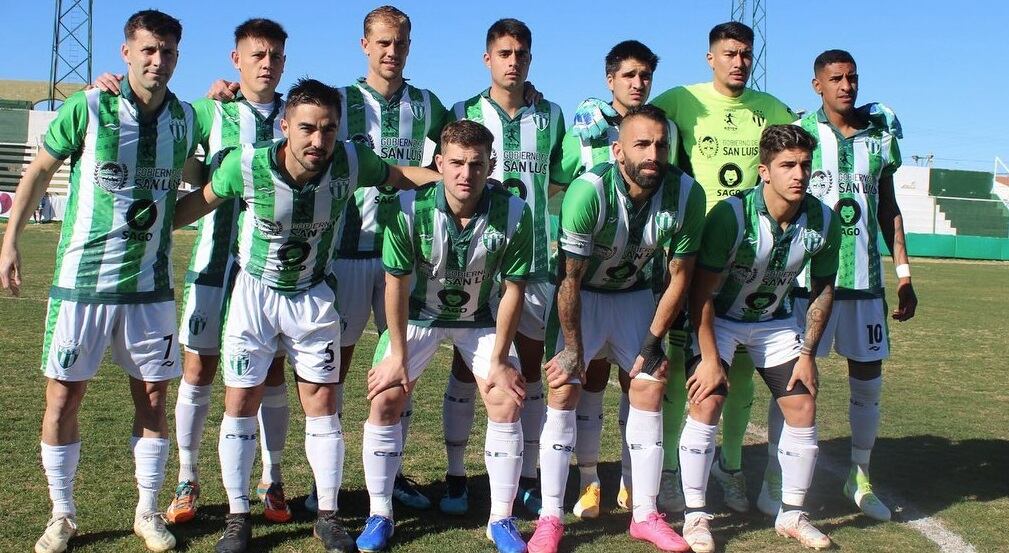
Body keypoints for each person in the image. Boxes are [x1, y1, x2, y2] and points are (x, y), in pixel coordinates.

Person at [172, 78, 439, 553]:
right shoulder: (247, 165)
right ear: (285, 126)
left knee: (323, 405)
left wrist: (460, 179)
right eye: (308, 129)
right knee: (240, 403)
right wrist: (145, 223)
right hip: (255, 295)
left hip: (313, 296)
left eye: (329, 130)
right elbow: (200, 201)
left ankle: (329, 516)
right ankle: (237, 517)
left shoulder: (351, 160)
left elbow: (398, 176)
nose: (319, 141)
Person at [0, 10, 201, 553]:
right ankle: (62, 514)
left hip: (149, 290)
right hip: (80, 288)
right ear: (126, 52)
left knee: (154, 399)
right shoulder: (89, 106)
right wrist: (9, 242)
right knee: (62, 400)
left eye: (168, 52)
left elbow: (204, 184)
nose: (158, 61)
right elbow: (39, 171)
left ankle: (146, 510)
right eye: (148, 50)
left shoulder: (185, 120)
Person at [89, 18, 297, 523]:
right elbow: (158, 125)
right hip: (211, 263)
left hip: (268, 272)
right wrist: (107, 87)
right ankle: (187, 477)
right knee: (198, 370)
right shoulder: (208, 111)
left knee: (270, 373)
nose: (266, 65)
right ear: (236, 60)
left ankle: (273, 480)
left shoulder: (298, 114)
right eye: (256, 56)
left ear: (283, 62)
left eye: (274, 56)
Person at [529, 105, 705, 553]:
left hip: (633, 298)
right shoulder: (589, 192)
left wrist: (653, 342)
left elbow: (680, 275)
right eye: (641, 144)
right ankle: (550, 516)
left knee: (649, 384)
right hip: (582, 296)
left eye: (661, 145)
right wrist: (572, 348)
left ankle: (645, 513)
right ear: (617, 150)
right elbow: (568, 277)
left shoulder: (686, 193)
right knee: (564, 388)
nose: (653, 154)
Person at [756, 49, 917, 522]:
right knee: (793, 385)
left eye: (852, 78)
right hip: (807, 285)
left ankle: (859, 475)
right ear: (817, 85)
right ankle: (773, 476)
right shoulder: (802, 134)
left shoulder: (880, 137)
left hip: (866, 285)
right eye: (836, 78)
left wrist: (905, 274)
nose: (846, 86)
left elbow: (889, 209)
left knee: (868, 382)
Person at [357, 119, 532, 553]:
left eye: (476, 164)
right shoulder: (408, 209)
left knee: (506, 397)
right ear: (439, 163)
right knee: (386, 397)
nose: (465, 174)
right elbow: (395, 285)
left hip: (481, 318)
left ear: (491, 165)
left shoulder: (514, 211)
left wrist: (500, 360)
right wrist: (397, 354)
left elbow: (514, 290)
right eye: (456, 163)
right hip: (420, 316)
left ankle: (501, 519)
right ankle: (380, 512)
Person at [648, 22, 797, 512]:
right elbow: (634, 121)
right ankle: (670, 469)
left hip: (751, 259)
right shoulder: (678, 100)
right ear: (710, 58)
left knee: (744, 375)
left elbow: (803, 145)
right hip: (690, 256)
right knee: (678, 371)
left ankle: (730, 466)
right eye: (729, 53)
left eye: (746, 54)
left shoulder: (771, 109)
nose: (739, 61)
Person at [678, 124, 839, 551]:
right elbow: (702, 294)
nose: (799, 174)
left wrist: (808, 353)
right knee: (708, 397)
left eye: (805, 165)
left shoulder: (824, 219)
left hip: (775, 321)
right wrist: (710, 358)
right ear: (764, 171)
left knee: (803, 400)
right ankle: (695, 516)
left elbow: (823, 289)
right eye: (788, 165)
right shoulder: (730, 217)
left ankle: (792, 513)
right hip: (720, 318)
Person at [552, 39, 683, 519]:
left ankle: (631, 484)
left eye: (645, 75)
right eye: (629, 75)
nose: (638, 83)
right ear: (610, 79)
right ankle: (589, 482)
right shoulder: (584, 123)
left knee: (640, 381)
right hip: (587, 266)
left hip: (637, 275)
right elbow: (558, 178)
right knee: (590, 376)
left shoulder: (663, 129)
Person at [440, 17, 564, 516]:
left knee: (527, 373)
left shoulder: (550, 114)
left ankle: (528, 475)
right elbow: (441, 175)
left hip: (533, 265)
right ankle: (453, 475)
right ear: (488, 58)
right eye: (505, 53)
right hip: (473, 265)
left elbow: (564, 179)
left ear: (530, 60)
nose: (513, 62)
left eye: (522, 54)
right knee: (465, 368)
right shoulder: (462, 111)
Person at [327, 4, 449, 511]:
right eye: (382, 42)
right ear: (364, 45)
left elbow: (462, 148)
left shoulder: (427, 103)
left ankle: (392, 473)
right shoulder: (338, 100)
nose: (391, 52)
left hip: (408, 257)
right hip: (348, 252)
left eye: (399, 43)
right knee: (332, 368)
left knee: (405, 367)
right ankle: (326, 479)